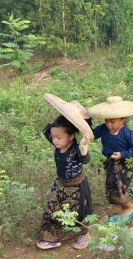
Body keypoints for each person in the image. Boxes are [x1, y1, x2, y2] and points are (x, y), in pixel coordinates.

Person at [38, 101, 93, 250]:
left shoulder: (75, 149)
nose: (54, 140)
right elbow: (46, 130)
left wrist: (83, 145)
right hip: (60, 184)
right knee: (52, 207)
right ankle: (50, 236)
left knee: (77, 212)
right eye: (53, 137)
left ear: (70, 136)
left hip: (76, 186)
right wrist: (65, 114)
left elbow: (86, 160)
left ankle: (85, 234)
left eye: (58, 137)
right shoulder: (59, 144)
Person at [87, 96, 133, 223]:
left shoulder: (128, 134)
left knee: (119, 185)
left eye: (113, 122)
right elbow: (91, 135)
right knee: (112, 184)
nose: (109, 124)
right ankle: (126, 206)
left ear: (123, 119)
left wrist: (122, 154)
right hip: (111, 162)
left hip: (124, 163)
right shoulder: (103, 129)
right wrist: (87, 120)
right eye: (107, 121)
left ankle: (128, 207)